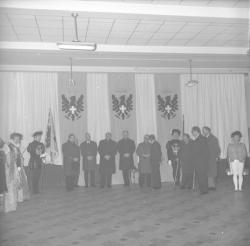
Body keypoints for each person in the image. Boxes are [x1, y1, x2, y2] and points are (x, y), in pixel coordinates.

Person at [9, 133, 29, 202]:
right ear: (13, 139)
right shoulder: (10, 146)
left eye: (18, 139)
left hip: (19, 166)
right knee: (15, 181)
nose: (17, 140)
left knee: (22, 179)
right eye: (15, 138)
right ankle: (15, 198)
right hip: (13, 167)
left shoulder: (18, 147)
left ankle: (21, 197)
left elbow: (19, 156)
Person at [191, 126, 209, 195]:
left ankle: (204, 190)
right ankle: (202, 189)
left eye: (193, 132)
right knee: (200, 176)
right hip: (197, 161)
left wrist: (203, 161)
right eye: (192, 132)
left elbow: (204, 151)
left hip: (201, 162)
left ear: (196, 131)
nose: (192, 133)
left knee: (202, 176)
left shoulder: (202, 139)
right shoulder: (196, 139)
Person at [0, 138, 8, 210]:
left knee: (1, 189)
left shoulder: (2, 153)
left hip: (1, 173)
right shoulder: (2, 153)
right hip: (2, 173)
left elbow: (4, 162)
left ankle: (1, 207)